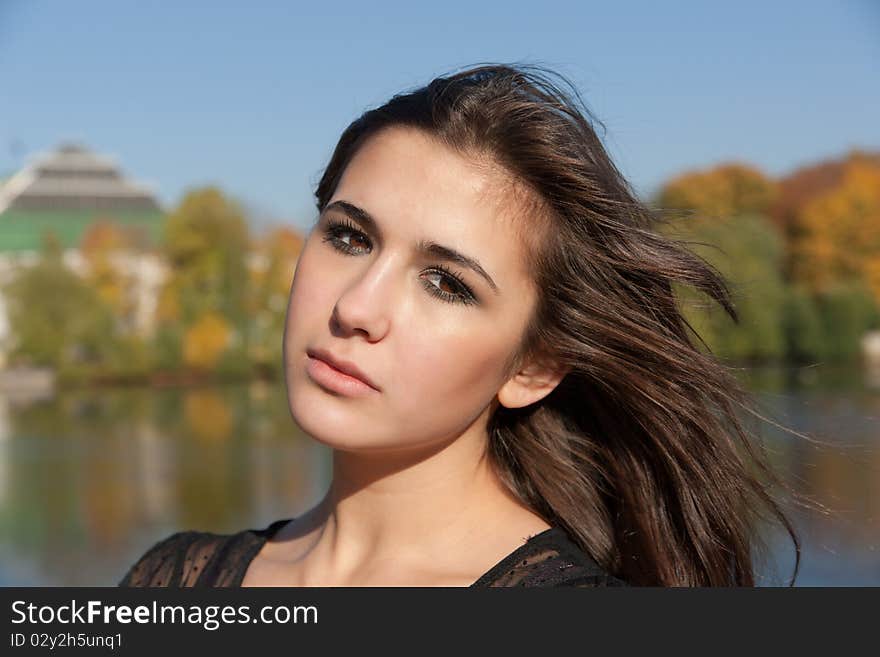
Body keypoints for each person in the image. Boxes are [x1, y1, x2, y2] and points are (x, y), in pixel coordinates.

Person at [119, 62, 801, 587]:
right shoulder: (175, 580)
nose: (356, 308)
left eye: (447, 283)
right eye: (350, 237)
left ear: (533, 366)